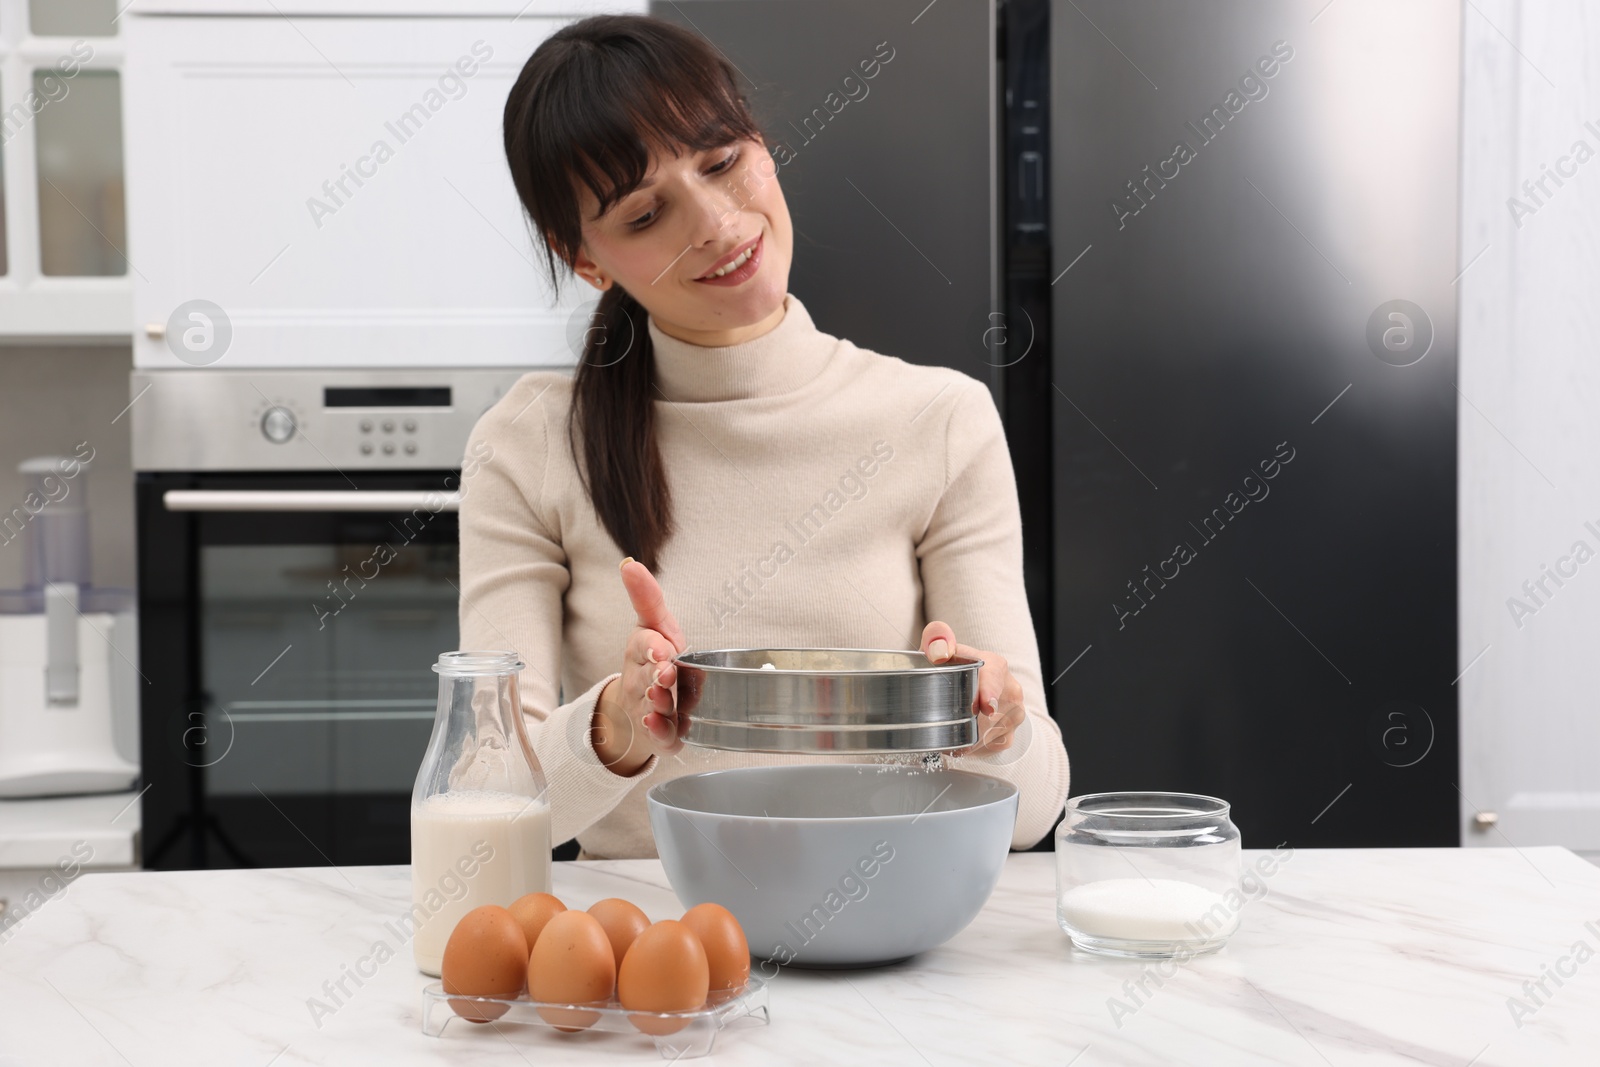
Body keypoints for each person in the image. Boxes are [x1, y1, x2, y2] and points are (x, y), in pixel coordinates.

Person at [459, 13, 1069, 859]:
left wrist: (998, 728)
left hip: (885, 935)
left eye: (722, 163)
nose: (716, 222)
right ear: (587, 259)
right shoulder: (527, 444)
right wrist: (612, 726)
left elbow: (1035, 811)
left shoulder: (941, 419)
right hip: (653, 958)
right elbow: (485, 813)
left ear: (764, 147)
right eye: (645, 216)